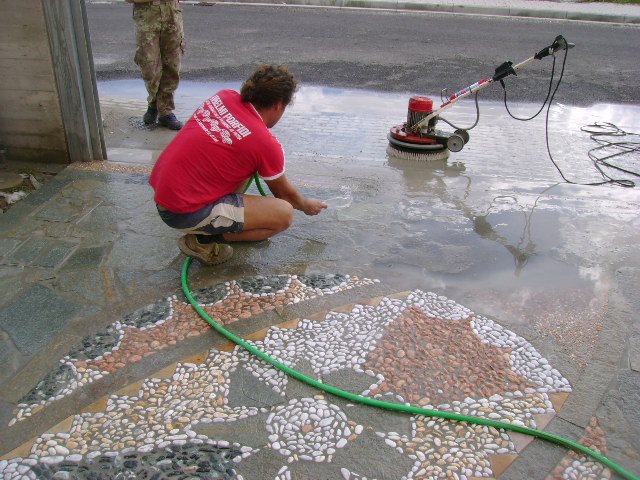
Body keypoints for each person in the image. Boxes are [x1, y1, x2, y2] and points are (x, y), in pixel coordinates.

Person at [149, 64, 327, 266]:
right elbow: (285, 196)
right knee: (283, 214)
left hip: (164, 194)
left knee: (247, 164)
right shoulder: (265, 143)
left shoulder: (224, 97)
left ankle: (214, 222)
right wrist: (306, 205)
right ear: (278, 105)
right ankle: (203, 239)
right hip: (181, 212)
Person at [126, 0, 184, 130]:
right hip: (146, 15)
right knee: (149, 65)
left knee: (172, 65)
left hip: (171, 12)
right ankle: (153, 103)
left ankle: (165, 110)